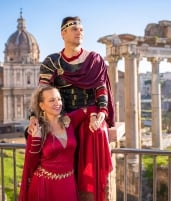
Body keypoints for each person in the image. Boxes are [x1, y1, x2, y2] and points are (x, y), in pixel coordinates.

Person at [28, 16, 115, 201]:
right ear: (63, 33)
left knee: (97, 133)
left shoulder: (94, 59)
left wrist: (100, 114)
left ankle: (94, 191)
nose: (80, 32)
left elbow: (101, 89)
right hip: (63, 115)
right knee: (40, 137)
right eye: (74, 28)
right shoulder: (52, 61)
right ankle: (44, 184)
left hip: (89, 113)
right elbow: (42, 91)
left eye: (82, 29)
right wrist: (33, 116)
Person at [19, 86, 100, 201]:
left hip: (68, 184)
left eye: (59, 99)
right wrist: (36, 139)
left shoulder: (69, 121)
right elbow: (30, 164)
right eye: (52, 100)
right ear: (42, 106)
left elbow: (91, 108)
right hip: (44, 187)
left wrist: (93, 117)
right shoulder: (37, 128)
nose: (57, 103)